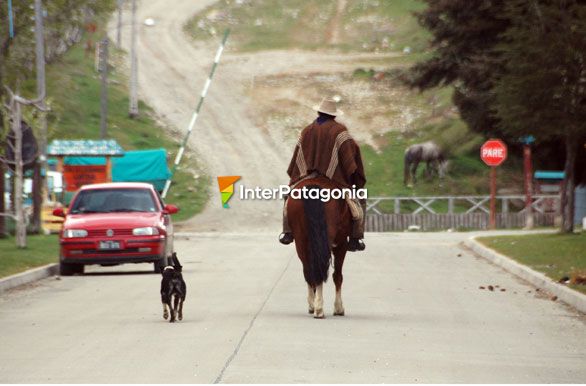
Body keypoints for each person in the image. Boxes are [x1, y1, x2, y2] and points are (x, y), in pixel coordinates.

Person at [279, 97, 367, 252]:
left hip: (307, 176)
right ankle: (355, 238)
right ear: (334, 115)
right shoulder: (340, 131)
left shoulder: (307, 130)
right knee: (358, 203)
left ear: (319, 112)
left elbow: (298, 157)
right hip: (335, 179)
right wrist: (353, 178)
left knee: (289, 197)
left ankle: (287, 232)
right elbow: (350, 157)